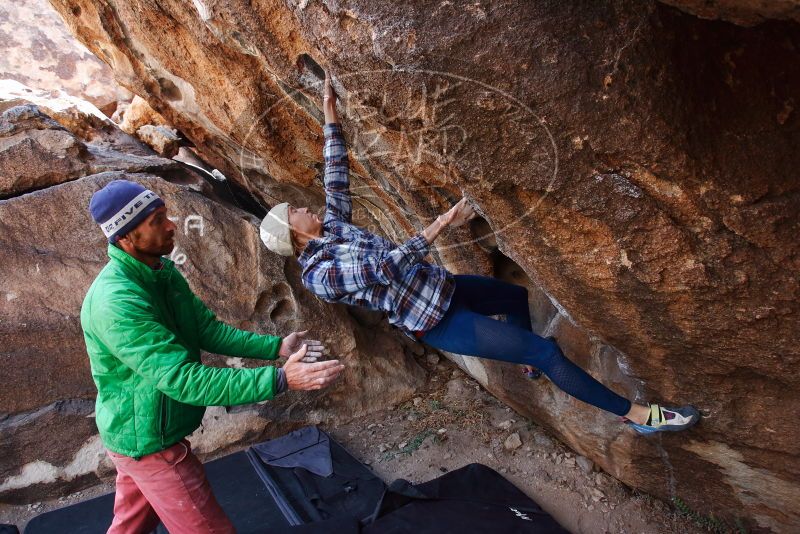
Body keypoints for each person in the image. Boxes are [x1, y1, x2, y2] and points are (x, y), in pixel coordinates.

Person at [259, 73, 699, 435]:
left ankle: (526, 364)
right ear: (294, 237)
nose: (302, 207)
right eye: (294, 212)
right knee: (547, 353)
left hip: (445, 289)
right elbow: (385, 267)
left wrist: (329, 108)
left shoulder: (331, 228)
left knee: (514, 299)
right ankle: (638, 416)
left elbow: (336, 173)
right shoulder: (320, 273)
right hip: (439, 322)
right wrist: (444, 222)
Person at [81, 179, 345, 534]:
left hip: (139, 433)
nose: (172, 224)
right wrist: (281, 378)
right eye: (157, 220)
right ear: (127, 237)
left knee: (130, 526)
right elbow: (182, 379)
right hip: (149, 443)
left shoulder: (161, 272)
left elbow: (205, 329)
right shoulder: (117, 302)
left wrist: (275, 348)